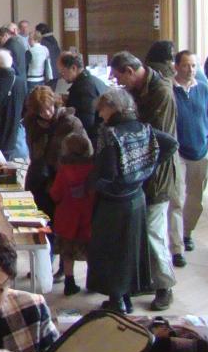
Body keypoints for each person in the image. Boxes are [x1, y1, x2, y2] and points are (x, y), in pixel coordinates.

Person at [87, 89, 178, 312]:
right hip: (136, 197)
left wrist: (95, 184)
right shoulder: (143, 128)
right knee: (130, 250)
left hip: (114, 202)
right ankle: (124, 298)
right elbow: (171, 144)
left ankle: (117, 301)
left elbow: (107, 173)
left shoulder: (111, 135)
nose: (101, 116)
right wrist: (147, 168)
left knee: (112, 251)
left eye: (103, 110)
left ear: (112, 107)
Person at [111, 50, 179, 310]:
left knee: (153, 232)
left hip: (157, 174)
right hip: (142, 172)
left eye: (121, 78)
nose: (120, 84)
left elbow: (154, 135)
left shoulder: (160, 91)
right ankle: (147, 281)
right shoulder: (142, 90)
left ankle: (165, 286)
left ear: (130, 70)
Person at [170, 50, 208, 264]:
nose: (191, 70)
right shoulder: (169, 91)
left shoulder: (203, 90)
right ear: (176, 66)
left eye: (194, 66)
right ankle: (177, 247)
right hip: (178, 153)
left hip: (201, 151)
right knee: (176, 199)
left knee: (196, 200)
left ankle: (187, 233)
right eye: (187, 65)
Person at [22, 86, 83, 221]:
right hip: (38, 177)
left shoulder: (70, 123)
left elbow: (83, 153)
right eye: (42, 111)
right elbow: (33, 150)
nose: (47, 113)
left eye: (49, 108)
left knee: (58, 220)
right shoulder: (32, 123)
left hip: (60, 178)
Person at [47, 130, 95, 296]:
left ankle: (69, 281)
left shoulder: (64, 170)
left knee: (67, 253)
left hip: (67, 218)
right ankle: (92, 281)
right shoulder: (92, 168)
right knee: (90, 252)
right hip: (88, 217)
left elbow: (55, 194)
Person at [57, 52, 105, 141]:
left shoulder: (84, 88)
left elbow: (86, 122)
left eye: (62, 72)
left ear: (73, 68)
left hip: (90, 140)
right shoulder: (91, 80)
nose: (62, 77)